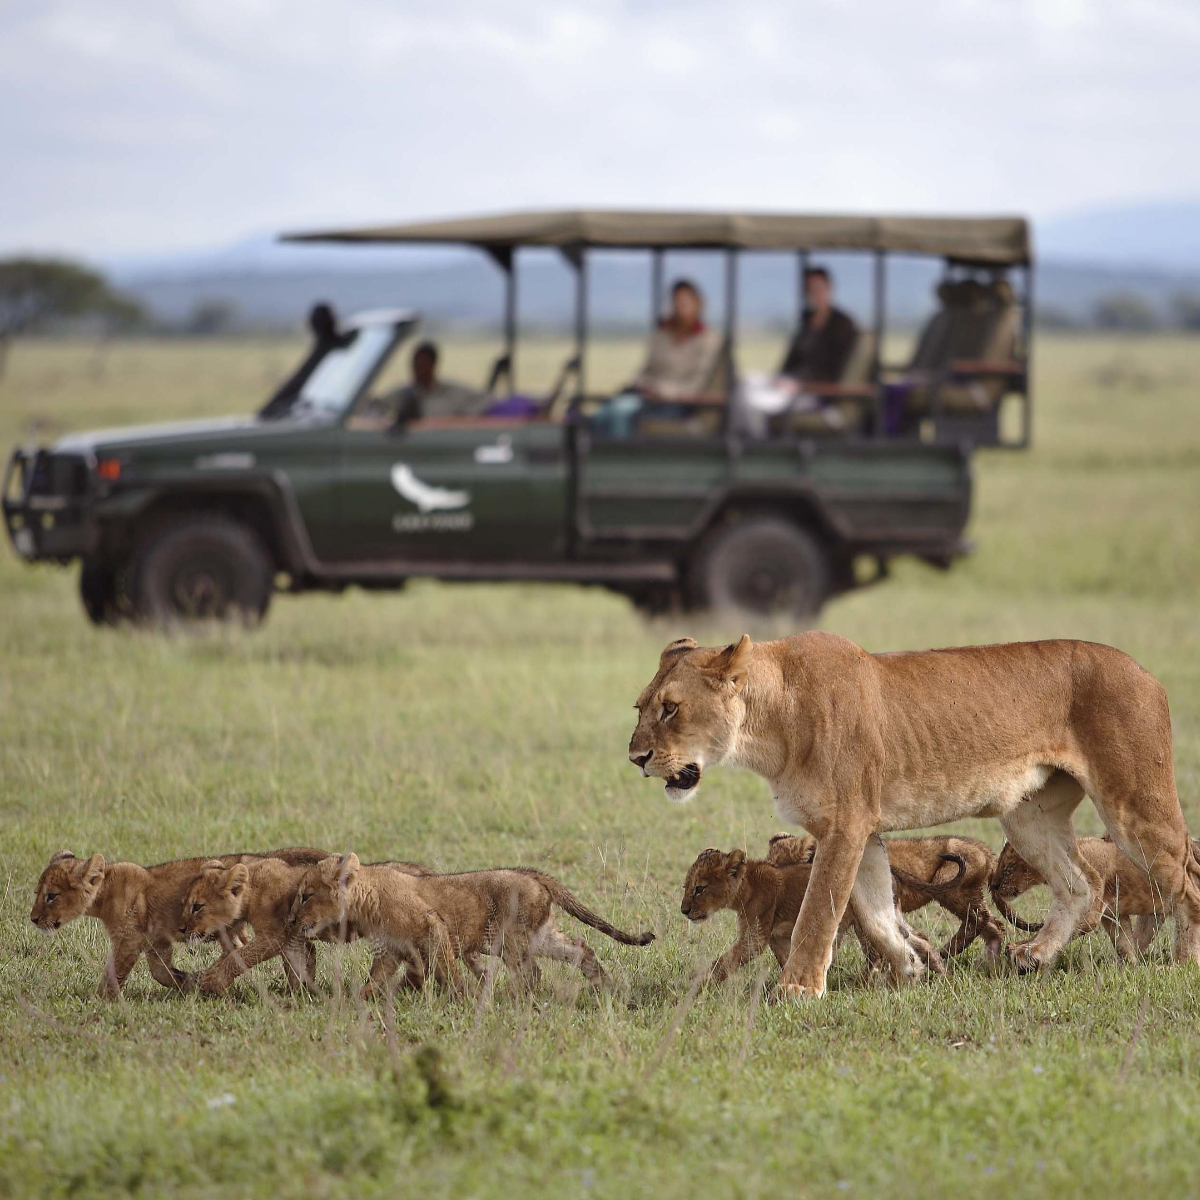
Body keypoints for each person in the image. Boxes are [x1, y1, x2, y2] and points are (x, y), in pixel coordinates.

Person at [632, 279, 723, 401]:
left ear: (698, 304)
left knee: (623, 411)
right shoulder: (661, 336)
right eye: (677, 302)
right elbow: (645, 371)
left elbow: (699, 384)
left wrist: (663, 391)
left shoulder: (709, 340)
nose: (680, 308)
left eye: (685, 303)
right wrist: (642, 386)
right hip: (648, 397)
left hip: (682, 403)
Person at [778, 267, 859, 385]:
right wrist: (781, 378)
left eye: (818, 287)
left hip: (820, 387)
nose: (815, 292)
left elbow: (840, 365)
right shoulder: (805, 320)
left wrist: (804, 383)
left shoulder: (842, 324)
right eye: (810, 288)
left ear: (829, 287)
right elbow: (792, 358)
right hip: (794, 381)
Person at [386, 341, 488, 421]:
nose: (419, 370)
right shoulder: (403, 395)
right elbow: (379, 406)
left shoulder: (452, 393)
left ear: (433, 365)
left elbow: (486, 401)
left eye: (423, 365)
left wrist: (463, 419)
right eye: (416, 365)